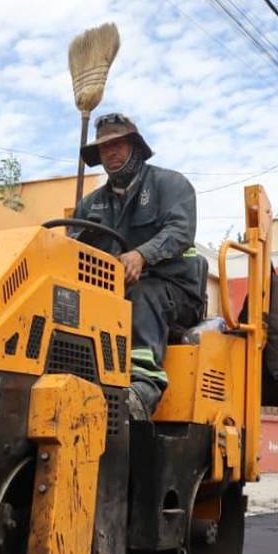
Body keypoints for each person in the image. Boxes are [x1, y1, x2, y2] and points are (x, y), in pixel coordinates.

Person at [73, 113, 204, 419]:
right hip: (113, 293)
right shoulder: (90, 205)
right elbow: (73, 247)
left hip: (175, 291)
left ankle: (143, 388)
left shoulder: (169, 185)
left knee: (143, 294)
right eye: (105, 148)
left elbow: (180, 231)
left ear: (135, 147)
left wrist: (141, 255)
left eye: (118, 144)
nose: (111, 153)